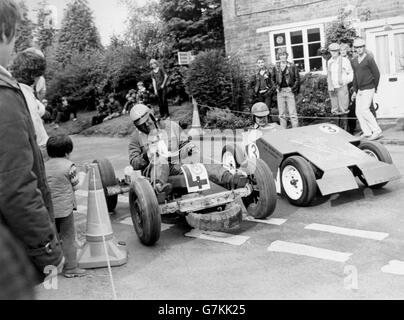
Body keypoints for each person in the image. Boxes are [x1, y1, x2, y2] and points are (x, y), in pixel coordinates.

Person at [0, 0, 64, 282]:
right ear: (4, 33)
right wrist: (48, 251)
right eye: (13, 39)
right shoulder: (5, 94)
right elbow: (16, 184)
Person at [128, 104, 247, 196]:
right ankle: (159, 187)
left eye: (148, 120)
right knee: (161, 160)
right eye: (142, 124)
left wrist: (188, 148)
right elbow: (134, 162)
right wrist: (146, 155)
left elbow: (184, 143)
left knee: (197, 158)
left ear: (152, 116)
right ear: (138, 126)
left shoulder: (170, 126)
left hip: (177, 162)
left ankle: (229, 178)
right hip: (155, 167)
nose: (147, 124)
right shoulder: (136, 138)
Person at [45, 135, 88, 278]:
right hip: (64, 210)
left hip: (48, 210)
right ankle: (71, 268)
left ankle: (50, 268)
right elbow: (77, 186)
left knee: (52, 238)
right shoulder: (69, 166)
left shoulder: (44, 166)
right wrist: (82, 174)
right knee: (68, 237)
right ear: (67, 152)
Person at [10, 49, 50, 159]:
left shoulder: (17, 90)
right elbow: (34, 123)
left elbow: (40, 108)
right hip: (38, 147)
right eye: (39, 75)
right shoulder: (25, 94)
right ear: (33, 75)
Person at [351, 38, 383, 140]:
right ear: (354, 48)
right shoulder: (354, 61)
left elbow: (377, 74)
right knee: (358, 112)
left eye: (361, 47)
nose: (359, 49)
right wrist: (355, 91)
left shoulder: (369, 58)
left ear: (364, 47)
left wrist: (375, 86)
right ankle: (367, 132)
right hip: (360, 89)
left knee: (364, 109)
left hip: (369, 87)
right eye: (357, 47)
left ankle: (377, 131)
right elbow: (355, 77)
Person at [327, 43, 354, 131]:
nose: (333, 53)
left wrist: (345, 81)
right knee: (334, 109)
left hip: (342, 87)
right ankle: (337, 131)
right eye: (332, 51)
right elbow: (329, 74)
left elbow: (351, 73)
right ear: (329, 51)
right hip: (332, 88)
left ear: (338, 51)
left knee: (343, 109)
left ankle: (345, 130)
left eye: (335, 51)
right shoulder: (329, 62)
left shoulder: (345, 60)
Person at [272, 48, 300, 129]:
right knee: (282, 115)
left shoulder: (292, 66)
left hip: (289, 91)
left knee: (293, 114)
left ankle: (295, 131)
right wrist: (276, 87)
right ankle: (283, 132)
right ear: (278, 56)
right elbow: (272, 79)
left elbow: (297, 79)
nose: (282, 57)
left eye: (284, 54)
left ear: (286, 55)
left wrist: (292, 88)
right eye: (281, 55)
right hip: (280, 92)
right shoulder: (276, 67)